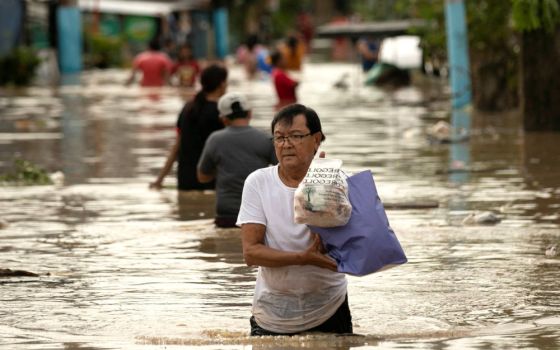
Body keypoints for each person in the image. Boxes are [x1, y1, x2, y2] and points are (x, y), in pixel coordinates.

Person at [236, 104, 352, 336]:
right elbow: (251, 253)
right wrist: (303, 258)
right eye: (279, 138)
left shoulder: (338, 180)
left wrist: (321, 189)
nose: (286, 144)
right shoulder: (258, 182)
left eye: (296, 136)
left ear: (316, 140)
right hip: (272, 314)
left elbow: (356, 245)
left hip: (329, 308)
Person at [197, 92, 277, 228]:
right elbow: (283, 173)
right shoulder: (266, 139)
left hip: (226, 213)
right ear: (250, 113)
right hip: (258, 212)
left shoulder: (215, 140)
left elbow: (202, 177)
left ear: (223, 119)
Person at [150, 64, 228, 191]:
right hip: (210, 179)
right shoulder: (222, 113)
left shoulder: (189, 108)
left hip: (185, 178)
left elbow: (177, 146)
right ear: (222, 84)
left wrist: (160, 179)